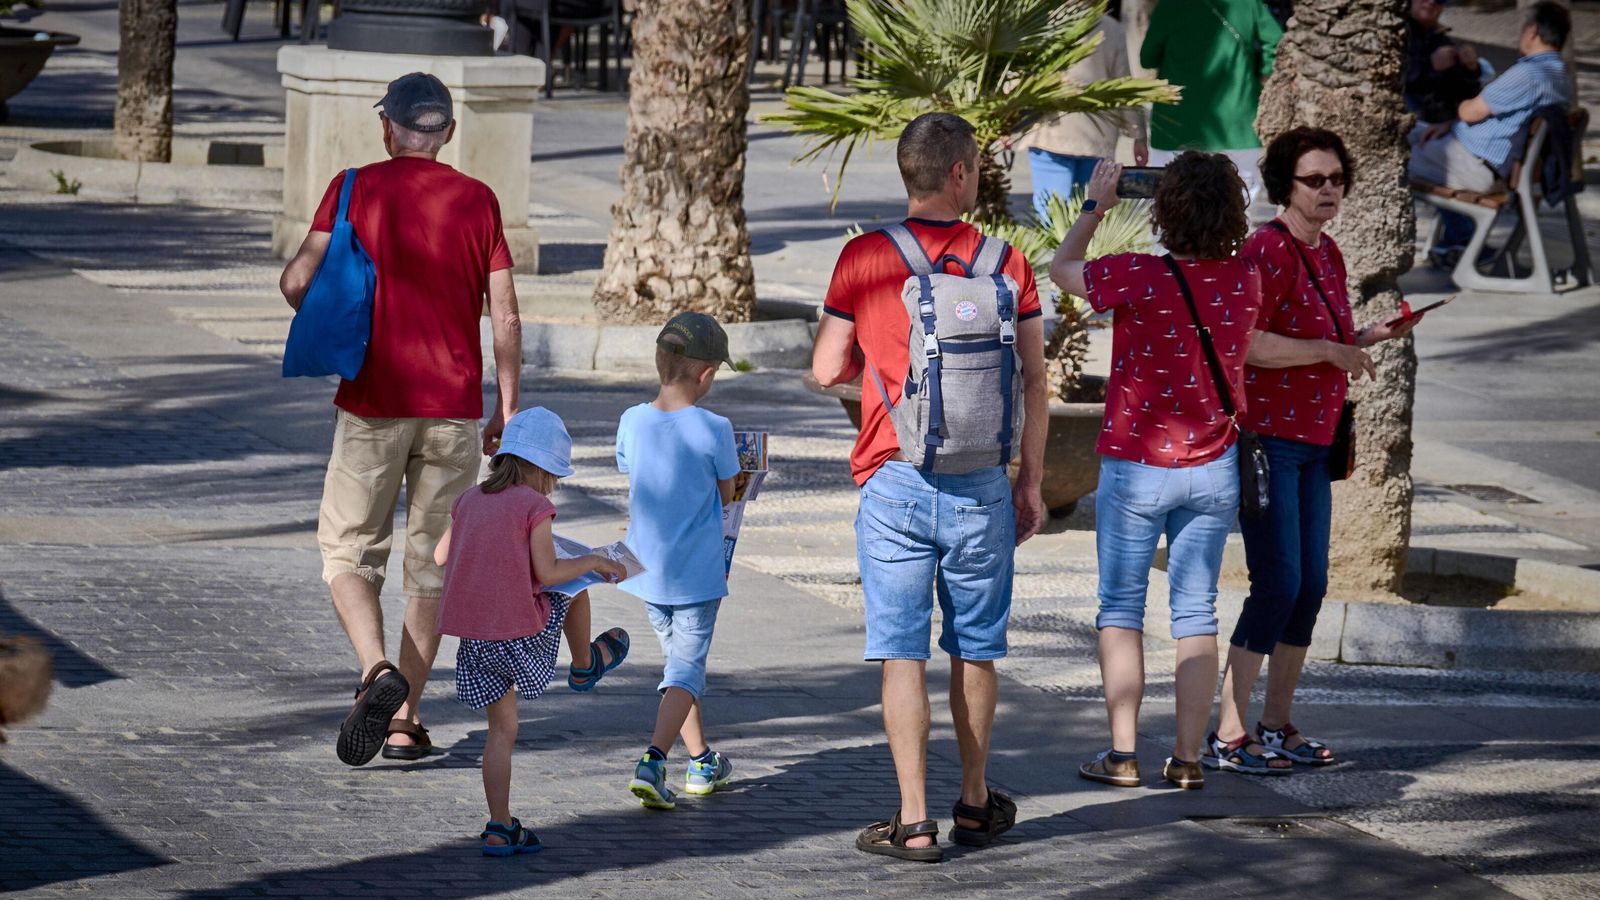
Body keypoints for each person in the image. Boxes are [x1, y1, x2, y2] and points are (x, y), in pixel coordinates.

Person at [813, 111, 1049, 862]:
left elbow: (825, 367)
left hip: (894, 479)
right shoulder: (1007, 262)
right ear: (958, 174)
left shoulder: (863, 257)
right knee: (975, 650)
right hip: (981, 482)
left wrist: (880, 370)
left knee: (901, 653)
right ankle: (975, 802)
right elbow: (1034, 380)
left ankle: (914, 821)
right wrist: (1030, 482)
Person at [279, 72, 525, 766]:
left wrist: (337, 317)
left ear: (387, 126)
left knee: (348, 550)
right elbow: (505, 315)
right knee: (432, 568)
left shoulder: (352, 187)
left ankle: (374, 669)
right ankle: (404, 720)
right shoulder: (478, 200)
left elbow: (296, 280)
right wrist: (508, 407)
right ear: (447, 133)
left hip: (372, 402)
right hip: (454, 411)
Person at [1049, 153, 1265, 791]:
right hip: (1214, 466)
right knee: (1196, 611)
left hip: (1138, 466)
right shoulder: (1247, 280)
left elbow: (1061, 269)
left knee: (1121, 607)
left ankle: (1123, 755)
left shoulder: (1138, 275)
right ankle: (1188, 757)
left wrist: (1096, 206)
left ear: (1164, 210)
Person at [1207, 127, 1420, 775]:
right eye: (1315, 180)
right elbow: (1247, 343)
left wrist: (1368, 336)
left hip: (1316, 441)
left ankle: (1276, 724)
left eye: (1337, 179)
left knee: (1310, 587)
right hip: (1270, 442)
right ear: (1285, 185)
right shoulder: (1266, 250)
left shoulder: (1327, 252)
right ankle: (1227, 732)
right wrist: (1330, 350)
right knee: (1277, 584)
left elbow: (1321, 335)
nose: (1329, 190)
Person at [432, 407, 629, 856]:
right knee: (576, 588)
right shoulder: (535, 506)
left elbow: (441, 557)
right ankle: (585, 664)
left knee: (501, 732)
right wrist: (595, 560)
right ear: (541, 470)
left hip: (477, 642)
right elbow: (548, 572)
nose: (551, 486)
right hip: (522, 637)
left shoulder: (468, 499)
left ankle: (499, 826)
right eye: (553, 477)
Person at [618, 312, 743, 811]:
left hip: (647, 573)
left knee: (680, 670)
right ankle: (652, 761)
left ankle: (702, 761)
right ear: (706, 375)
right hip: (696, 576)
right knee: (685, 673)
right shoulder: (716, 428)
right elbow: (728, 492)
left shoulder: (632, 419)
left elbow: (631, 469)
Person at [1409, 1, 1571, 255]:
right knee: (1410, 130)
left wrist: (1461, 96)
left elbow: (1470, 111)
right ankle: (1456, 240)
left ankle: (1458, 240)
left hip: (1475, 166)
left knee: (1388, 153)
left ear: (1531, 30)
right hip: (1485, 160)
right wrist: (1449, 124)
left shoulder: (1528, 74)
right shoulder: (1558, 75)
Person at [1140, 0, 1283, 206]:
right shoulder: (1249, 4)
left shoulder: (1171, 5)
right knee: (1238, 209)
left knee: (1172, 208)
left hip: (1176, 128)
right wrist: (1262, 71)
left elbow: (1147, 58)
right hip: (1238, 126)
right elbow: (1277, 44)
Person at [1019, 12, 1149, 222]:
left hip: (1050, 135)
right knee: (1091, 215)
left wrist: (1008, 122)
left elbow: (1019, 77)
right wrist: (1138, 134)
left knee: (1052, 217)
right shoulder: (1110, 27)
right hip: (1097, 137)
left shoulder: (1041, 21)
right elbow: (1123, 86)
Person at [1404, 0, 1485, 125]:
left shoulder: (1441, 39)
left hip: (1446, 122)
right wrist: (1429, 65)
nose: (1432, 2)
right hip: (1410, 121)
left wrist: (1470, 69)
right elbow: (1389, 77)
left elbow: (1467, 93)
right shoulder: (1394, 32)